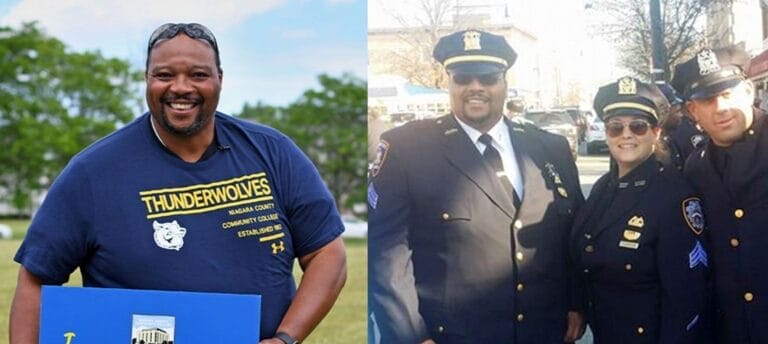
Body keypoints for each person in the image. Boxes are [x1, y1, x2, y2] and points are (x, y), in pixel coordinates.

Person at [10, 23, 347, 344]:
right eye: (164, 75)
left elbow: (327, 254)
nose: (181, 87)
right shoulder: (92, 172)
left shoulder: (273, 153)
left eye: (198, 75)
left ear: (220, 79)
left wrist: (285, 337)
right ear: (147, 80)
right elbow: (36, 279)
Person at [368, 29, 585, 344]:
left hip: (543, 330)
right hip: (453, 335)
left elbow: (574, 235)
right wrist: (411, 336)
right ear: (449, 83)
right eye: (463, 78)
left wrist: (576, 302)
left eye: (488, 78)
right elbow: (385, 253)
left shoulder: (549, 147)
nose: (475, 88)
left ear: (505, 83)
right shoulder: (407, 148)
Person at [571, 77, 711, 343]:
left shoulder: (674, 194)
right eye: (615, 127)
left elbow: (686, 296)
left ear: (655, 133)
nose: (626, 135)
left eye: (638, 126)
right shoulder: (603, 187)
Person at [672, 44, 768, 344]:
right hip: (731, 328)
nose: (721, 108)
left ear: (749, 91)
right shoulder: (696, 166)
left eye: (728, 93)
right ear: (693, 111)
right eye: (708, 99)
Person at [658, 84, 709, 171]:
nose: (681, 115)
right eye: (677, 111)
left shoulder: (684, 130)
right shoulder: (682, 133)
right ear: (663, 112)